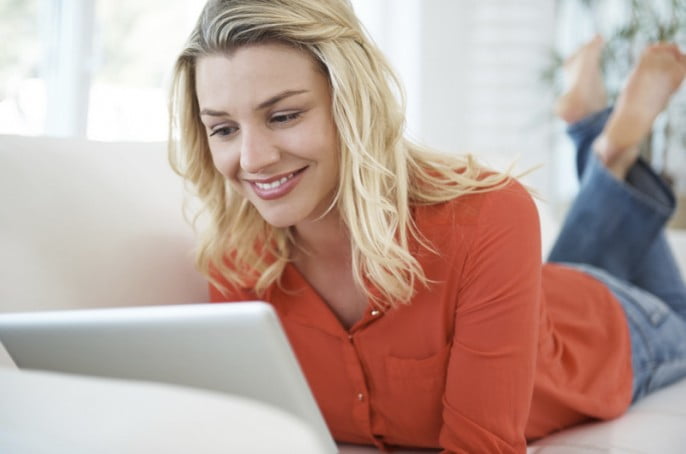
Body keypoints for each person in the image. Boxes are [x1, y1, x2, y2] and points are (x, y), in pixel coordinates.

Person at [167, 0, 686, 452]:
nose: (252, 159)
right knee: (560, 270)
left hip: (614, 328)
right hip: (535, 294)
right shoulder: (237, 261)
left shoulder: (488, 216)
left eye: (283, 116)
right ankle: (600, 142)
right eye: (224, 129)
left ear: (352, 101)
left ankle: (598, 141)